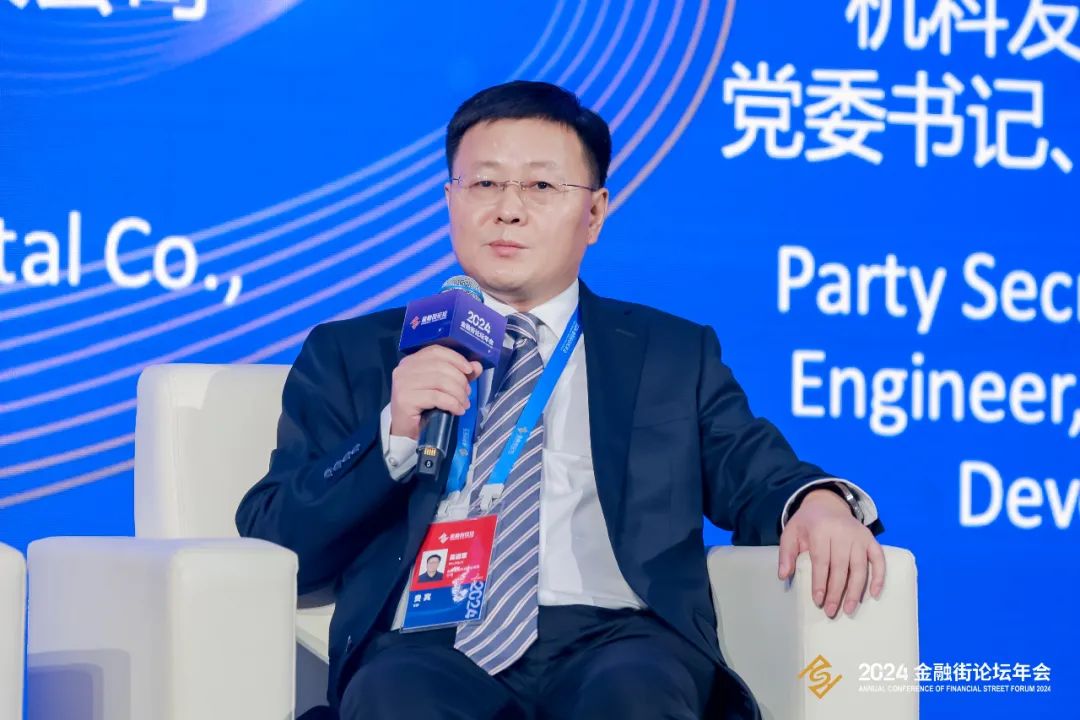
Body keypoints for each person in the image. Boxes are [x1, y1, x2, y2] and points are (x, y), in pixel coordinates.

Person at [236, 80, 886, 720]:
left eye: (542, 187)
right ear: (450, 200)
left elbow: (754, 468)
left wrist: (818, 503)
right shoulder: (357, 352)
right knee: (395, 697)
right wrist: (394, 435)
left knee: (635, 699)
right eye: (484, 184)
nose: (508, 209)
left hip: (619, 638)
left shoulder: (668, 352)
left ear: (595, 213)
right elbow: (278, 541)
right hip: (425, 642)